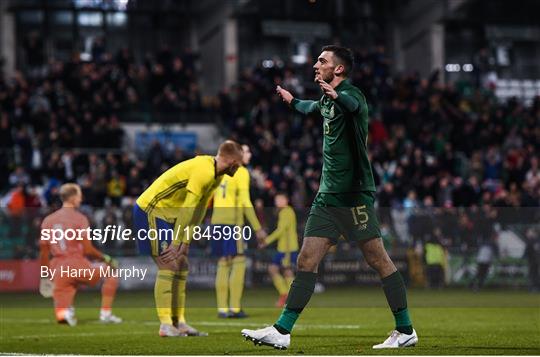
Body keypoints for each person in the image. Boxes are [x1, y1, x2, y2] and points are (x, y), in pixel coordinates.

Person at [241, 45, 417, 349]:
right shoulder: (325, 99)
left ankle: (405, 330)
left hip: (353, 196)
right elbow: (312, 107)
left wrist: (339, 96)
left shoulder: (353, 95)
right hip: (326, 198)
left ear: (339, 69)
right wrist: (293, 101)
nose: (314, 65)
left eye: (322, 61)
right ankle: (282, 331)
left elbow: (352, 106)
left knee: (378, 260)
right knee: (306, 260)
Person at [133, 140, 243, 337]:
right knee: (169, 265)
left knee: (182, 264)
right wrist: (176, 242)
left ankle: (179, 323)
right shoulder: (204, 171)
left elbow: (199, 210)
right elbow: (188, 208)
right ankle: (166, 325)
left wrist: (185, 242)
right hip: (150, 210)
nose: (240, 167)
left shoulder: (216, 176)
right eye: (239, 162)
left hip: (166, 216)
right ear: (229, 159)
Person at [39, 183, 121, 326]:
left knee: (61, 311)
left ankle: (66, 312)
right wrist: (106, 258)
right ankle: (106, 314)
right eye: (79, 195)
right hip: (76, 264)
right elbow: (88, 250)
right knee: (110, 271)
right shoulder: (80, 218)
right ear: (72, 197)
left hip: (57, 268)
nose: (81, 199)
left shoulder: (48, 220)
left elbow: (44, 251)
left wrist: (46, 273)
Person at [211, 144, 267, 318]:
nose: (248, 154)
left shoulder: (220, 171)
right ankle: (234, 308)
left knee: (222, 263)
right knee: (239, 261)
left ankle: (221, 308)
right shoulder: (241, 172)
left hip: (216, 221)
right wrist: (258, 228)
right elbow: (245, 202)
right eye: (246, 151)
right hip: (232, 223)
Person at [260, 193, 298, 308]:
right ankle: (288, 296)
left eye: (279, 199)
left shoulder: (286, 211)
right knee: (283, 271)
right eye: (276, 200)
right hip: (284, 247)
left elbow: (280, 230)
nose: (277, 202)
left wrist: (266, 241)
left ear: (286, 200)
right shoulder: (285, 211)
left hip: (287, 248)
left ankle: (288, 296)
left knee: (280, 270)